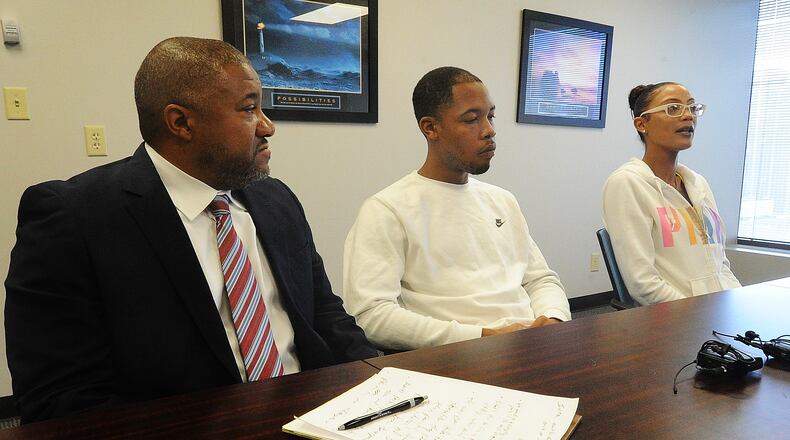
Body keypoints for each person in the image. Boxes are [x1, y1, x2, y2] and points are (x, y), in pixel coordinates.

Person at [4, 37, 377, 424]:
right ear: (181, 122)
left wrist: (387, 386)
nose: (268, 126)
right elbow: (60, 400)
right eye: (249, 108)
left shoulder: (275, 199)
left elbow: (326, 316)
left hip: (319, 416)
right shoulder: (72, 217)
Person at [342, 67, 571, 351]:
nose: (489, 130)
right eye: (472, 119)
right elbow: (372, 315)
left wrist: (552, 319)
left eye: (491, 116)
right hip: (454, 359)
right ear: (431, 128)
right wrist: (484, 336)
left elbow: (540, 279)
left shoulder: (502, 200)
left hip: (529, 347)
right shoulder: (388, 210)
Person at [602, 82, 741, 305]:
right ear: (641, 124)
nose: (688, 116)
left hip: (717, 315)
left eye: (692, 108)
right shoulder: (627, 183)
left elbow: (721, 264)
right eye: (673, 108)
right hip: (677, 324)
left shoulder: (698, 184)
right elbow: (643, 284)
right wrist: (699, 317)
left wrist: (738, 305)